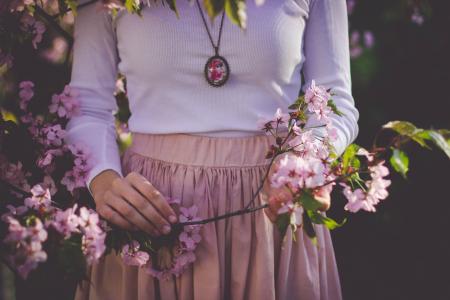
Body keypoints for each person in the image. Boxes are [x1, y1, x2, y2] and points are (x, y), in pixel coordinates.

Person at [66, 0, 359, 299]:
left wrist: (306, 160)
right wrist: (103, 182)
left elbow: (335, 101)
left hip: (272, 203)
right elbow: (87, 105)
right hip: (151, 214)